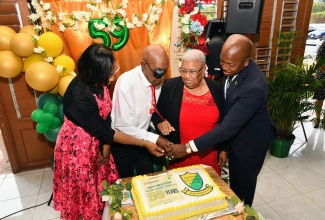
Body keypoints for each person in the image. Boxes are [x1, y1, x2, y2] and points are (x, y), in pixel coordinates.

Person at [53, 43, 164, 220]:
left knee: (105, 192)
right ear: (95, 72)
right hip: (78, 148)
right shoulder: (79, 97)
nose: (113, 78)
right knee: (85, 194)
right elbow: (108, 132)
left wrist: (105, 147)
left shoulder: (98, 81)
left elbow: (106, 117)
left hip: (100, 140)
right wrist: (144, 142)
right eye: (110, 74)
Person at [165, 34, 276, 206]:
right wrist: (224, 148)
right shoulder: (234, 65)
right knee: (230, 186)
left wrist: (187, 148)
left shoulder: (253, 88)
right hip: (234, 138)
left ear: (246, 62)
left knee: (242, 190)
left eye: (229, 64)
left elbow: (226, 128)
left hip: (249, 145)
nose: (224, 67)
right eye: (222, 61)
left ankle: (241, 214)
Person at [151, 49, 226, 174]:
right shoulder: (171, 86)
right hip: (180, 156)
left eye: (192, 72)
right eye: (183, 71)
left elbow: (225, 124)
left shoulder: (217, 89)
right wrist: (160, 123)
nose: (186, 76)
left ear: (203, 71)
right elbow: (156, 114)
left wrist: (224, 150)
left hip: (209, 156)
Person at [111, 44, 171, 178]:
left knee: (148, 181)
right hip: (124, 144)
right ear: (143, 65)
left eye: (164, 72)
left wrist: (160, 122)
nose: (161, 77)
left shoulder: (155, 80)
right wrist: (154, 137)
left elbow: (152, 108)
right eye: (158, 72)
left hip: (144, 140)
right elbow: (121, 125)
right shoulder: (126, 83)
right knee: (125, 184)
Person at [313, 40, 325, 128]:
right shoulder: (324, 45)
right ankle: (317, 119)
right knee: (319, 98)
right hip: (322, 74)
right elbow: (319, 60)